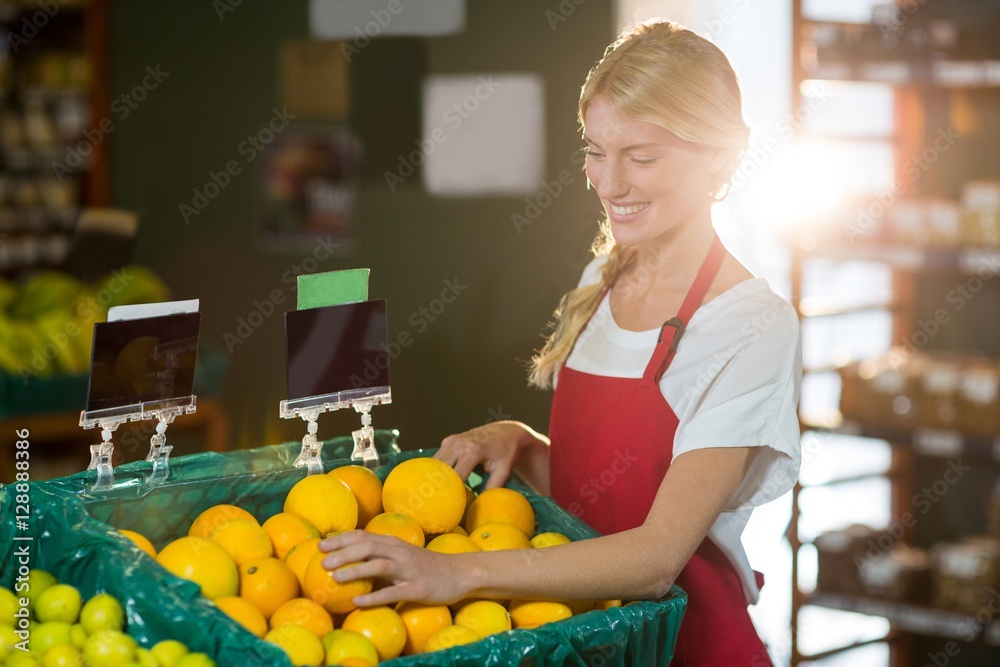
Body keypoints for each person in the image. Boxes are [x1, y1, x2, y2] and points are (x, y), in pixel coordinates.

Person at [320, 19, 802, 666]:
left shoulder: (751, 323)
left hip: (685, 649)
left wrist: (455, 571)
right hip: (582, 636)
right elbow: (603, 490)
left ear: (722, 155)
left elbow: (658, 557)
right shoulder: (605, 276)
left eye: (642, 156)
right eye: (596, 149)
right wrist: (522, 442)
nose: (608, 182)